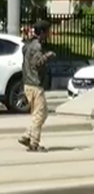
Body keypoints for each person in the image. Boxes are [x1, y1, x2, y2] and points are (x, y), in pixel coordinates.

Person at [18, 20, 56, 152]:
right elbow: (37, 64)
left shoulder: (29, 45)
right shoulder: (37, 47)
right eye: (48, 31)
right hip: (35, 84)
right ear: (43, 32)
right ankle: (34, 142)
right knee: (39, 114)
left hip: (28, 83)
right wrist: (48, 56)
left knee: (42, 113)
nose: (49, 34)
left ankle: (27, 135)